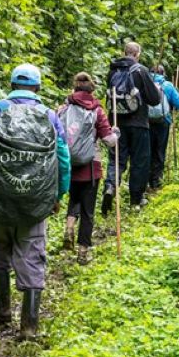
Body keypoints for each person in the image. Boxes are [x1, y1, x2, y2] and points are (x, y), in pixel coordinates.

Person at [0, 63, 71, 341]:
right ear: (37, 87)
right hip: (35, 202)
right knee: (33, 254)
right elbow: (62, 158)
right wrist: (57, 194)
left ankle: (1, 313)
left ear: (11, 85)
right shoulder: (48, 115)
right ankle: (29, 325)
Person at [59, 72, 119, 264]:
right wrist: (116, 133)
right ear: (92, 89)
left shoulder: (63, 109)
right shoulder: (97, 111)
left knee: (73, 199)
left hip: (69, 165)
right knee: (88, 211)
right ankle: (83, 251)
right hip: (91, 167)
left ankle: (69, 227)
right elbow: (109, 141)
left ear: (75, 88)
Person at [101, 42, 160, 215]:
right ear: (138, 54)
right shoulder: (141, 71)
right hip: (139, 123)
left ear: (124, 52)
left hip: (117, 123)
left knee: (116, 159)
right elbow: (154, 99)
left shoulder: (113, 70)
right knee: (139, 161)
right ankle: (136, 198)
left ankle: (110, 186)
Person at [148, 65, 179, 190]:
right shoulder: (167, 85)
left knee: (148, 150)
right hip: (163, 121)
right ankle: (156, 181)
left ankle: (147, 180)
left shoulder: (145, 84)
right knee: (159, 150)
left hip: (146, 122)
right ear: (163, 73)